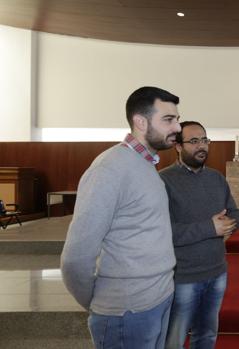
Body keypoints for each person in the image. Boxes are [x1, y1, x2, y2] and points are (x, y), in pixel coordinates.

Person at [61, 86, 182, 349]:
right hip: (127, 311)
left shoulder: (146, 165)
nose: (177, 128)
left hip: (158, 298)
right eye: (169, 120)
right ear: (140, 122)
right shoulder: (110, 168)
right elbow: (75, 258)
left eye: (177, 119)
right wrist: (102, 302)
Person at [160, 121, 239, 349]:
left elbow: (235, 214)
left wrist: (227, 226)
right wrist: (210, 228)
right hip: (184, 276)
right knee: (174, 339)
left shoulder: (216, 178)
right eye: (193, 141)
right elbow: (163, 231)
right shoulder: (164, 180)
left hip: (217, 272)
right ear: (178, 146)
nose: (201, 146)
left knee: (207, 336)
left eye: (205, 140)